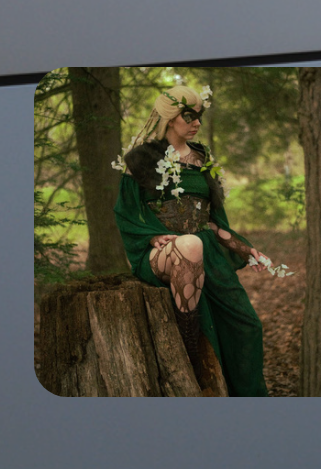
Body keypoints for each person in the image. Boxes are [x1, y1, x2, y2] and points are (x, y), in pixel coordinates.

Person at [113, 84, 271, 396]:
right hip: (162, 254)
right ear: (170, 118)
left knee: (247, 324)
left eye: (199, 116)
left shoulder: (202, 158)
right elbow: (125, 213)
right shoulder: (142, 158)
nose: (196, 122)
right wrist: (151, 235)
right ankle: (190, 350)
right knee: (189, 245)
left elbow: (213, 222)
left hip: (207, 250)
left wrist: (246, 249)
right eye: (189, 116)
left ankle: (246, 399)